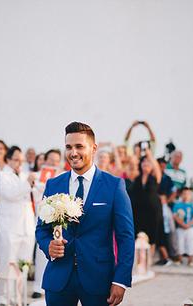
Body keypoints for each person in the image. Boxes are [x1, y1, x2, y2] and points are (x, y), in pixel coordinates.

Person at [36, 122, 135, 306]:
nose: (73, 153)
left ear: (94, 148)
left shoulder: (114, 186)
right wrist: (48, 245)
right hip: (58, 279)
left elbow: (126, 237)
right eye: (68, 147)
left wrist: (120, 280)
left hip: (99, 279)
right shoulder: (53, 185)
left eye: (79, 146)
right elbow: (41, 230)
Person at [0, 145, 35, 305]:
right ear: (8, 159)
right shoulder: (2, 175)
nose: (19, 163)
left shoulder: (25, 175)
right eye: (16, 159)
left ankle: (19, 299)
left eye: (21, 160)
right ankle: (3, 299)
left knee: (23, 266)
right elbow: (10, 194)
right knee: (6, 265)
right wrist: (28, 183)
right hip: (8, 227)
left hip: (26, 227)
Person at [32, 149, 63, 298]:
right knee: (41, 252)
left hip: (58, 221)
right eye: (51, 159)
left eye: (56, 160)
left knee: (56, 251)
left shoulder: (63, 177)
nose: (53, 162)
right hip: (40, 217)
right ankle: (38, 286)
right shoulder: (37, 176)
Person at [127, 149, 163, 250]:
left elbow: (156, 167)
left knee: (152, 236)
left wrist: (149, 155)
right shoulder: (136, 176)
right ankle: (138, 260)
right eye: (144, 162)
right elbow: (131, 165)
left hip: (152, 211)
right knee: (137, 234)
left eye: (148, 162)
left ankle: (149, 261)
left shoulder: (156, 176)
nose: (146, 163)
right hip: (137, 211)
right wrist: (137, 154)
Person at [172, 187, 193, 266]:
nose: (186, 195)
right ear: (181, 195)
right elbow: (175, 216)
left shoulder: (192, 205)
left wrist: (189, 224)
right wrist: (183, 224)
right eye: (184, 194)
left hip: (190, 228)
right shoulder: (177, 205)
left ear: (190, 195)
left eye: (188, 194)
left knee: (191, 243)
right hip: (180, 228)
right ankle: (180, 259)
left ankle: (190, 260)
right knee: (180, 243)